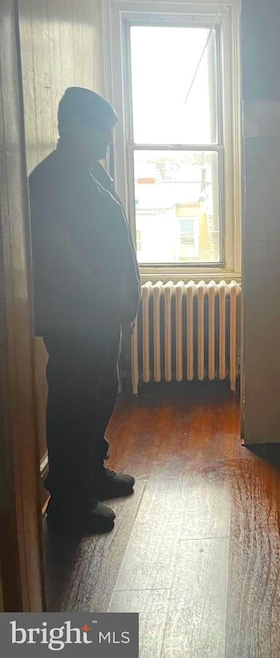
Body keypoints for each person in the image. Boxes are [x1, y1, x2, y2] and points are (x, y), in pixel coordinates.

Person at [29, 86, 141, 534]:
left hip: (99, 314)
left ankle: (91, 471)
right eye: (103, 131)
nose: (108, 141)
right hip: (76, 317)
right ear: (75, 127)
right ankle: (69, 500)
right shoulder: (52, 180)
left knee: (99, 391)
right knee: (73, 402)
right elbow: (64, 260)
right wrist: (105, 298)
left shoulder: (90, 172)